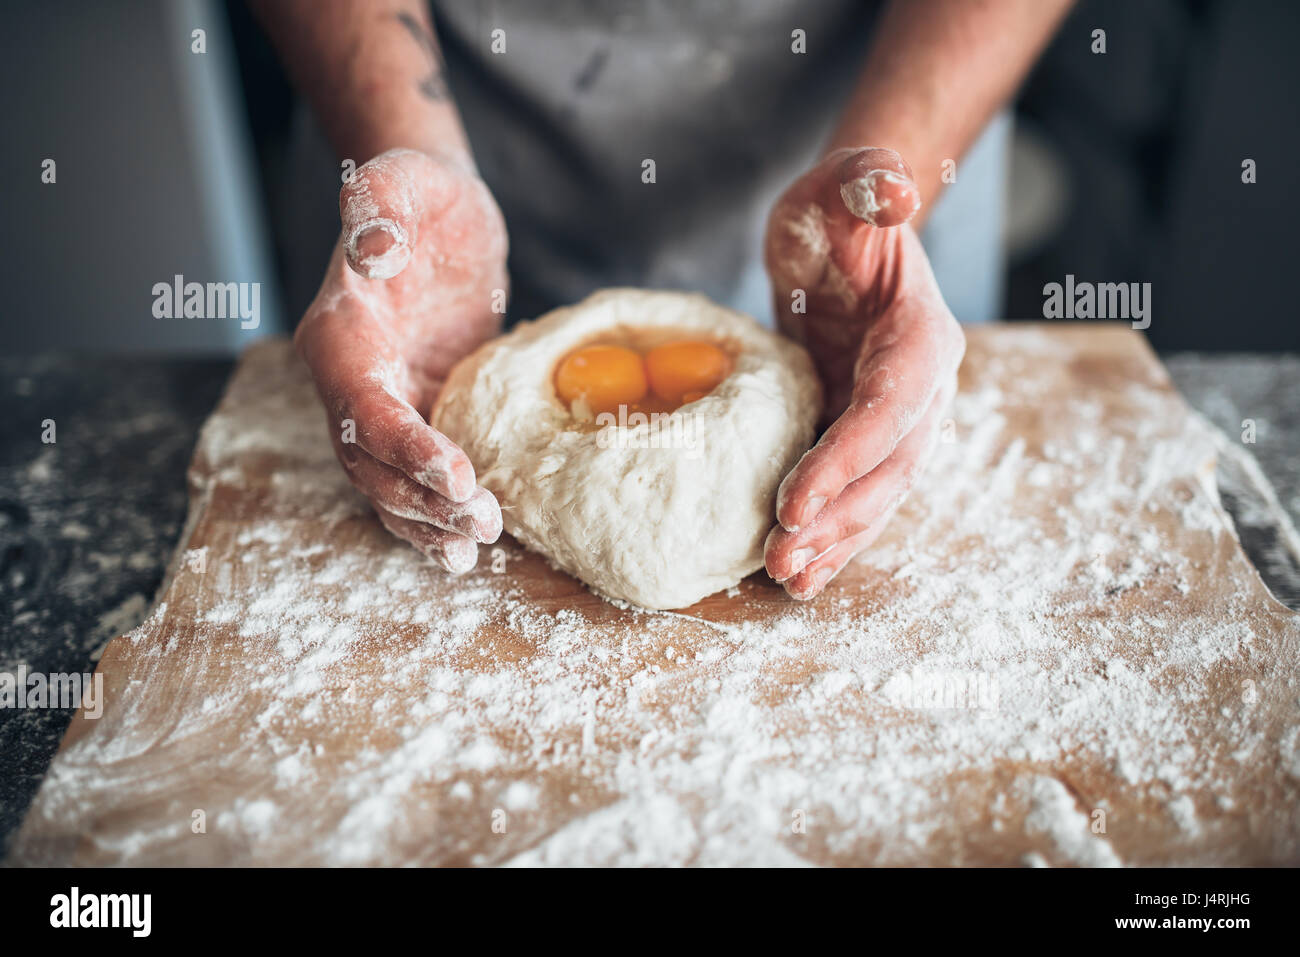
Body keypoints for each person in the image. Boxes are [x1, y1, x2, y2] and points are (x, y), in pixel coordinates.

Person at [252, 0, 1072, 600]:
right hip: (434, 110)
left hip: (888, 113)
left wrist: (886, 190)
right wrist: (402, 144)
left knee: (884, 398)